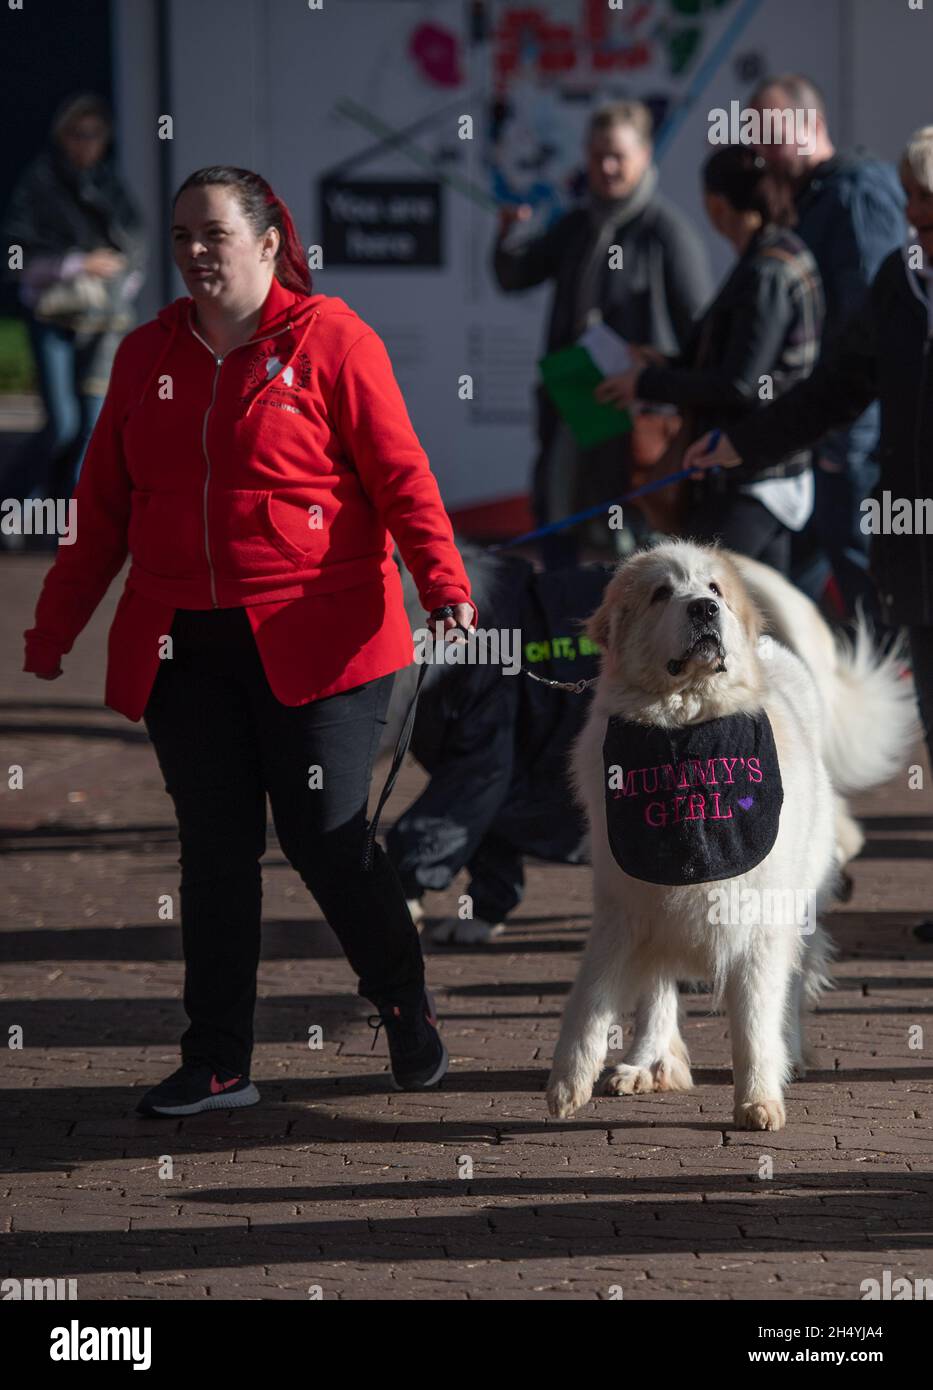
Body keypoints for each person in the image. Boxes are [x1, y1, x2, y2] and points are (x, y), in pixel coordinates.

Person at [22, 166, 477, 1115]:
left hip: (322, 637)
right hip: (183, 644)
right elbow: (102, 508)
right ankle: (220, 1060)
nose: (195, 250)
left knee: (323, 836)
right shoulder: (148, 352)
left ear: (269, 243)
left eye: (215, 233)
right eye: (183, 233)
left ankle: (401, 1001)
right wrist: (55, 622)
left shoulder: (333, 340)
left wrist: (443, 586)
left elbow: (401, 475)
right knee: (215, 850)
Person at [684, 127, 933, 770]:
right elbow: (832, 393)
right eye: (909, 196)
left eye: (924, 197)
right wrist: (741, 444)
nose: (911, 213)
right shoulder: (897, 285)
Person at [492, 100, 713, 569]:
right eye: (596, 156)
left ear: (645, 154)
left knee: (629, 545)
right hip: (572, 404)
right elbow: (516, 275)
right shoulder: (576, 223)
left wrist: (653, 371)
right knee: (557, 515)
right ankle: (560, 632)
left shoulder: (666, 234)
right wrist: (509, 235)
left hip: (633, 418)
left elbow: (702, 336)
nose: (606, 167)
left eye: (618, 155)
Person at [595, 146, 823, 573]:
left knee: (695, 588)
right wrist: (666, 364)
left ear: (716, 205)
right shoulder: (774, 256)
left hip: (754, 479)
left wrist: (645, 383)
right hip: (764, 471)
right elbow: (735, 360)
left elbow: (738, 383)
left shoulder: (767, 272)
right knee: (761, 622)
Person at [750, 74, 906, 617]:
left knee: (867, 588)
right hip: (824, 438)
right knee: (797, 593)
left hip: (855, 444)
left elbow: (877, 333)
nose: (763, 148)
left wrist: (848, 448)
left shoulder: (856, 195)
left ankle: (898, 697)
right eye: (756, 134)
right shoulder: (815, 200)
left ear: (812, 124)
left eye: (773, 131)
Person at [2, 93, 145, 511]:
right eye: (76, 134)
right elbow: (16, 252)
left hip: (106, 321)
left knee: (93, 424)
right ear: (61, 136)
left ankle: (69, 515)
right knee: (62, 424)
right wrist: (78, 264)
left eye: (95, 134)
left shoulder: (110, 185)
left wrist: (116, 282)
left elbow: (136, 247)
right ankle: (12, 504)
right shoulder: (39, 182)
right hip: (52, 314)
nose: (86, 143)